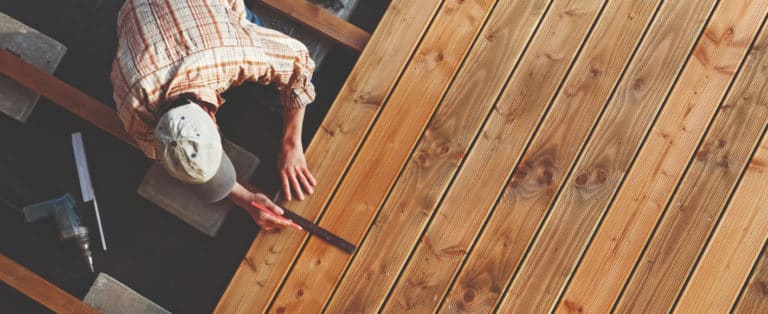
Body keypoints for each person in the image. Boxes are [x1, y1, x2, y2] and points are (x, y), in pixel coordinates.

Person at [111, 0, 317, 230]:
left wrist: (291, 145)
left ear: (212, 117)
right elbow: (167, 157)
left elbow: (300, 63)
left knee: (277, 86)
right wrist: (245, 198)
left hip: (206, 30)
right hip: (137, 15)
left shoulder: (231, 53)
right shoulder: (132, 112)